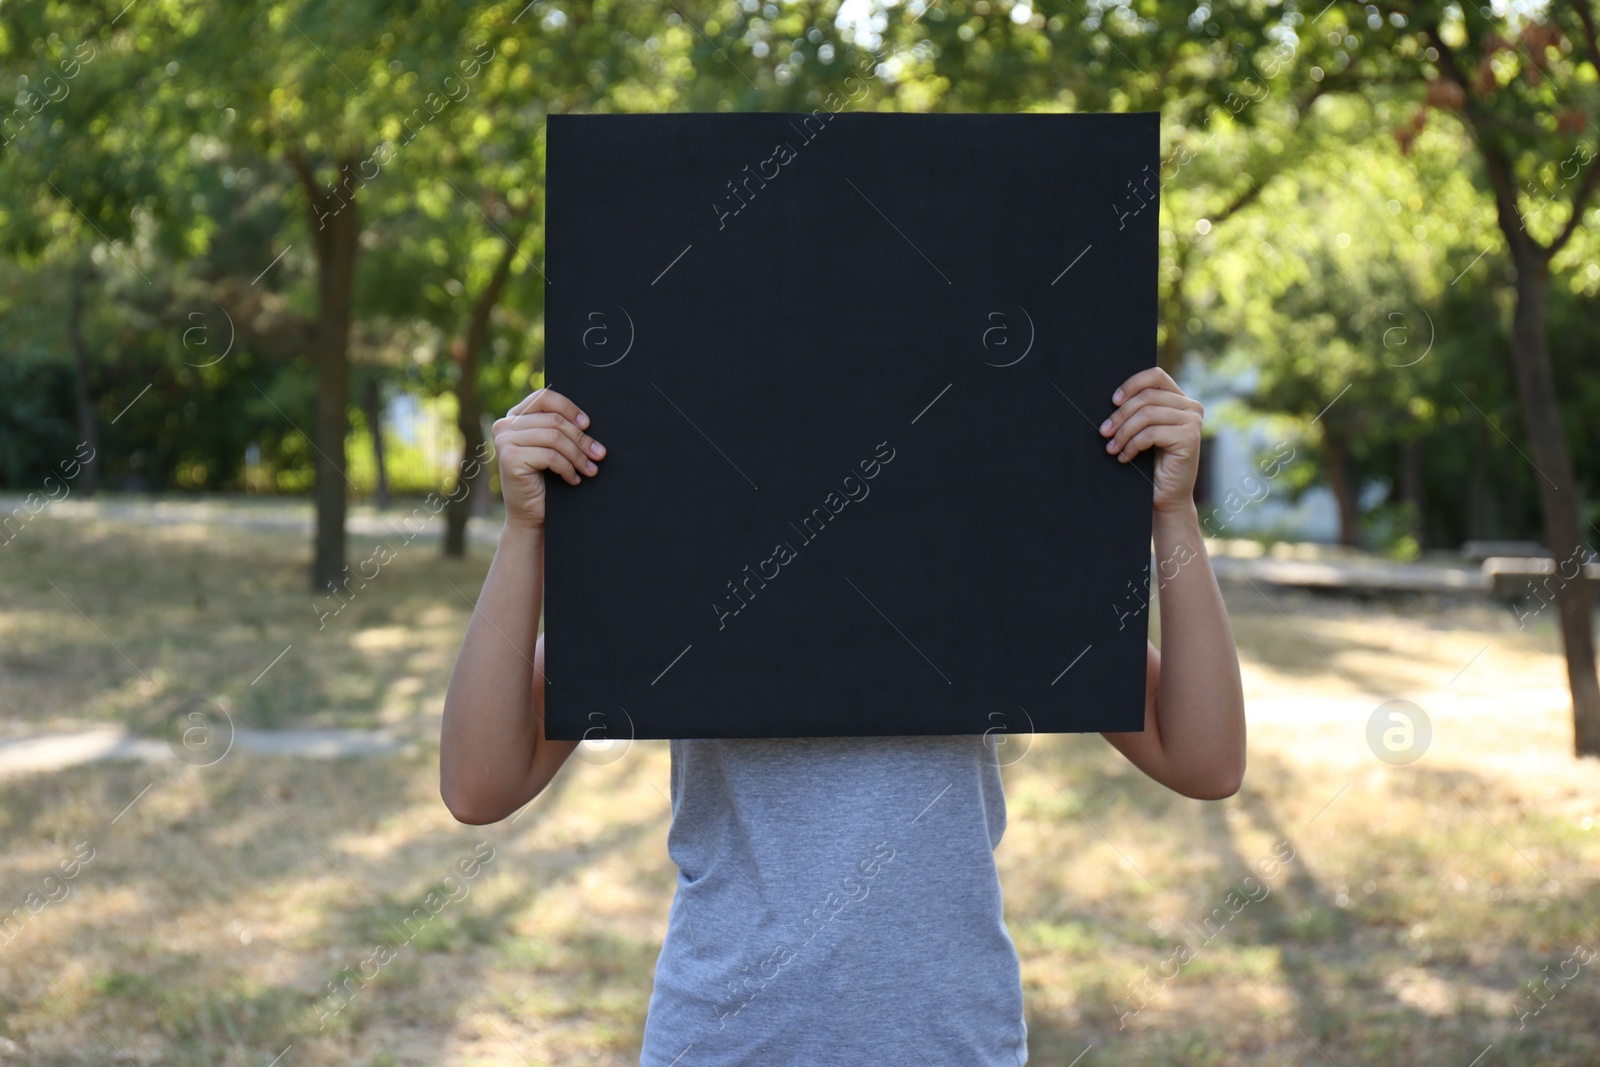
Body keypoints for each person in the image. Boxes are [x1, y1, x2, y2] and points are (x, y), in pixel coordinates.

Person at [439, 367, 1246, 1065]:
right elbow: (481, 783)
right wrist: (525, 532)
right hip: (726, 1042)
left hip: (948, 1042)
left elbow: (1203, 759)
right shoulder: (692, 542)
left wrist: (1171, 515)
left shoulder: (982, 546)